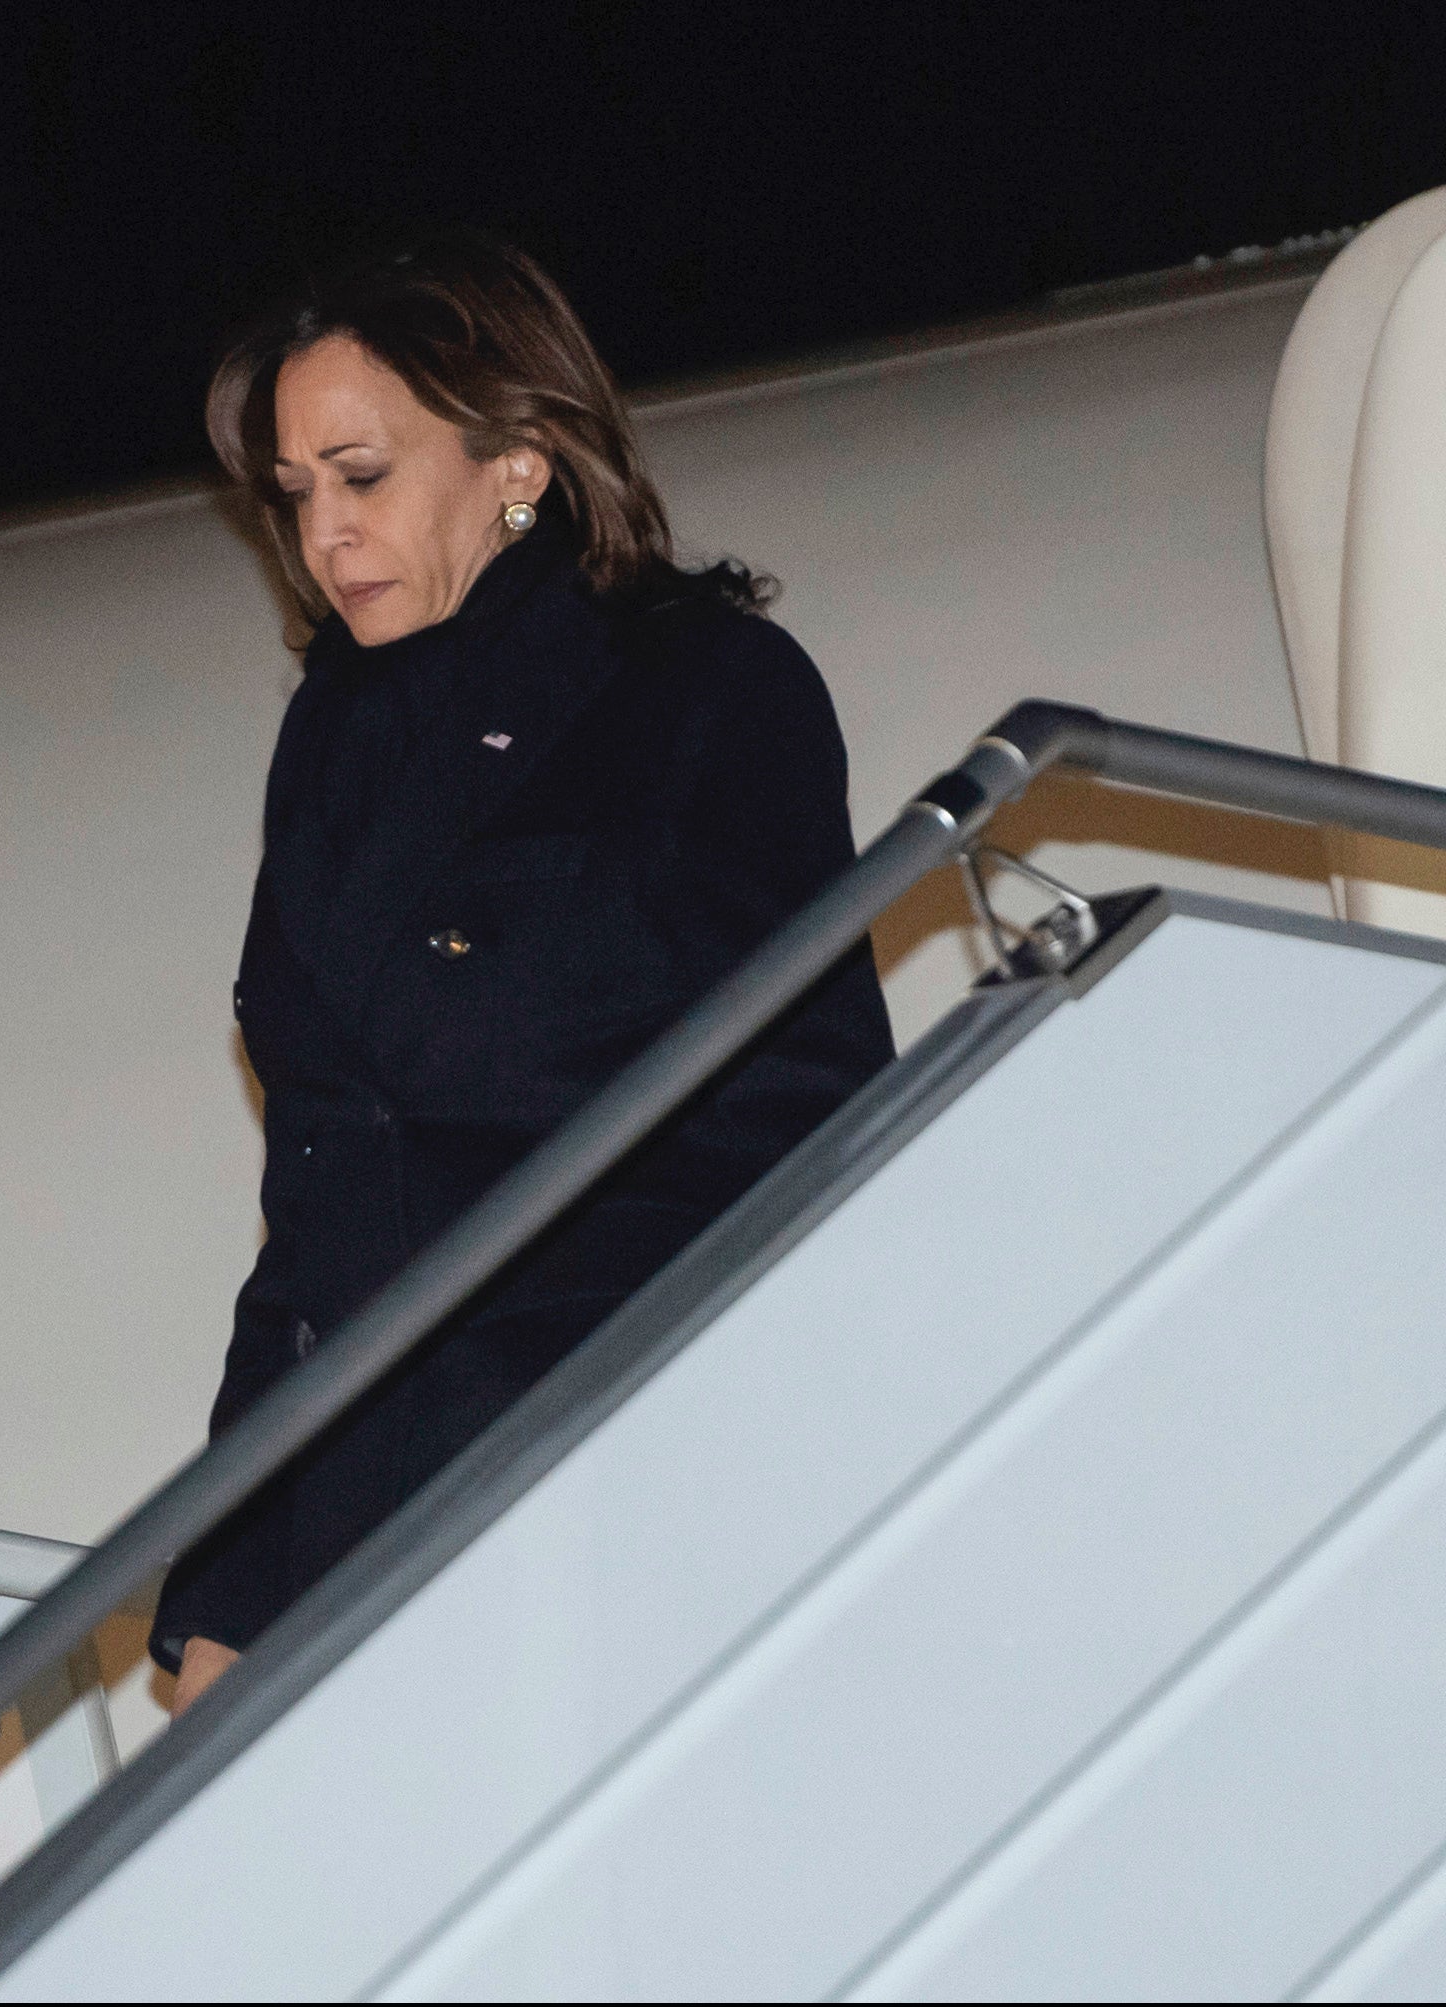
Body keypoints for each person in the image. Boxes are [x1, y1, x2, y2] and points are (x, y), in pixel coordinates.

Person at [150, 235, 894, 1713]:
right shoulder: (331, 739)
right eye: (294, 495)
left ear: (522, 459)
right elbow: (317, 1195)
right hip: (367, 1499)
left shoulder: (700, 690)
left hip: (618, 1480)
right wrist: (226, 1576)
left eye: (359, 475)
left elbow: (803, 1119)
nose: (322, 534)